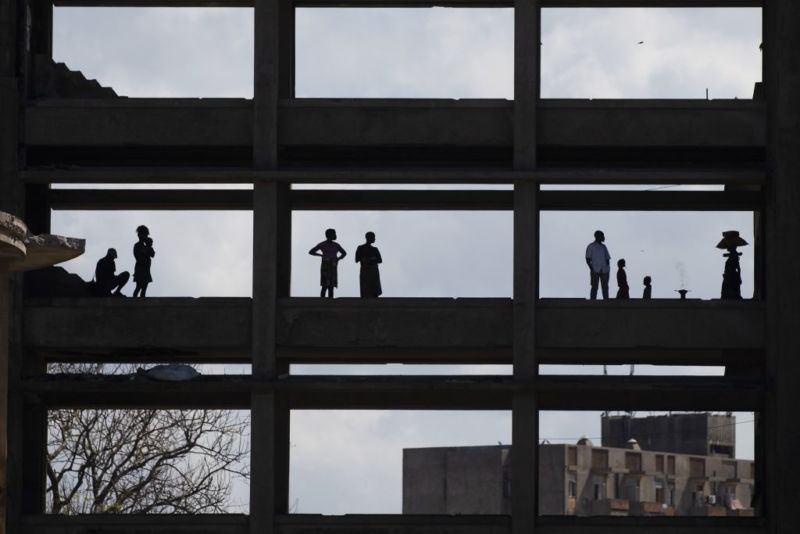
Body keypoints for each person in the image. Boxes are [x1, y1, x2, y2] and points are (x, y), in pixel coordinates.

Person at [309, 228, 347, 298]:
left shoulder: (335, 245)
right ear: (330, 235)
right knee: (325, 285)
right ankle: (323, 301)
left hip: (332, 265)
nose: (335, 235)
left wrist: (338, 259)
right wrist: (321, 255)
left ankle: (330, 301)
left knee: (330, 286)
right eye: (334, 234)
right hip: (327, 265)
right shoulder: (323, 244)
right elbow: (311, 251)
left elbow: (344, 253)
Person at [355, 231, 383, 298]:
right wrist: (364, 259)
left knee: (374, 287)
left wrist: (372, 259)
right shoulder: (361, 247)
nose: (374, 239)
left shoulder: (375, 249)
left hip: (373, 270)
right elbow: (357, 259)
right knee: (365, 287)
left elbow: (380, 260)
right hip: (365, 269)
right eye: (373, 237)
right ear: (368, 238)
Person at [585, 230, 611, 300]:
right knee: (594, 287)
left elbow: (607, 258)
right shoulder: (591, 246)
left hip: (604, 270)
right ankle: (593, 301)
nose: (603, 237)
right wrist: (591, 268)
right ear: (597, 236)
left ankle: (606, 300)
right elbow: (587, 258)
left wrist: (607, 267)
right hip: (595, 269)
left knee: (605, 286)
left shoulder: (604, 247)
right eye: (602, 236)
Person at [132, 225, 155, 297]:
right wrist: (146, 250)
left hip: (146, 269)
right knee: (138, 287)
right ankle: (134, 302)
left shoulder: (147, 246)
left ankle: (142, 301)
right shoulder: (137, 245)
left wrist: (148, 247)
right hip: (140, 269)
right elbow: (138, 258)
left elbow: (152, 254)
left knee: (144, 288)